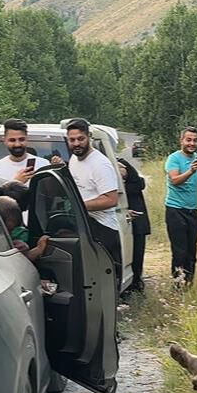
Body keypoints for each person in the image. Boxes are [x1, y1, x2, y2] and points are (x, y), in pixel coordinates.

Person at [65, 118, 122, 290]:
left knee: (106, 284)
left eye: (80, 139)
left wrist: (79, 206)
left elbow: (111, 199)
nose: (76, 143)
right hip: (84, 225)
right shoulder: (74, 160)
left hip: (103, 228)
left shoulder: (100, 164)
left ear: (89, 137)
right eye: (72, 140)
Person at [164, 127, 197, 285]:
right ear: (181, 141)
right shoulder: (174, 158)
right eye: (188, 140)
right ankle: (178, 284)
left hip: (193, 211)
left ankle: (188, 283)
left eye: (195, 140)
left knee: (191, 250)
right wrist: (191, 170)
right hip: (175, 210)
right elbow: (174, 180)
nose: (192, 143)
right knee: (179, 251)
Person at [117, 157, 149, 293]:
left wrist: (125, 169)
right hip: (121, 221)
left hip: (137, 222)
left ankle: (136, 282)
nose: (120, 173)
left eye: (122, 170)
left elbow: (139, 183)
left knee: (137, 254)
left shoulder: (133, 183)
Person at [0, 118, 50, 182]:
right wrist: (17, 182)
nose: (17, 144)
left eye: (21, 139)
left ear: (27, 139)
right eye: (12, 140)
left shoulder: (43, 164)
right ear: (4, 140)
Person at [0, 195, 49, 261]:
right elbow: (21, 260)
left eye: (11, 231)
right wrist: (39, 248)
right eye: (9, 230)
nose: (9, 234)